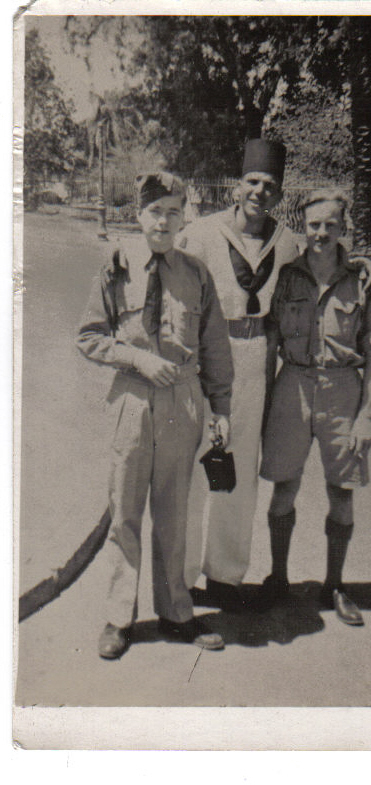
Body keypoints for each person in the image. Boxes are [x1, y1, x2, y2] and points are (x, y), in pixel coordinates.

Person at [76, 171, 234, 657]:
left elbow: (215, 345)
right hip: (132, 398)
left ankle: (176, 613)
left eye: (172, 212)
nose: (163, 222)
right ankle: (118, 618)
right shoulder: (116, 266)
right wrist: (137, 358)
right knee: (125, 511)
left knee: (173, 513)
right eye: (154, 212)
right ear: (138, 215)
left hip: (182, 403)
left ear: (184, 217)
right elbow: (89, 336)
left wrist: (221, 408)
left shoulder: (197, 273)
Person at [258, 189, 371, 625]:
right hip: (293, 385)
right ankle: (278, 578)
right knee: (284, 486)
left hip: (341, 390)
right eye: (314, 224)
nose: (321, 233)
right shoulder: (286, 275)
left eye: (330, 224)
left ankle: (335, 585)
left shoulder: (362, 279)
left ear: (343, 227)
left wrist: (366, 415)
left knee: (341, 491)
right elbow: (271, 342)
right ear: (303, 226)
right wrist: (265, 404)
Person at [178, 139, 302, 611]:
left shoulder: (287, 243)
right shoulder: (202, 233)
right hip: (209, 353)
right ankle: (180, 576)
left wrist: (363, 266)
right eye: (252, 181)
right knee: (195, 466)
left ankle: (225, 576)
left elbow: (322, 270)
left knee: (239, 469)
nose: (259, 192)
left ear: (279, 193)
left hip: (256, 358)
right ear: (237, 186)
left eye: (270, 185)